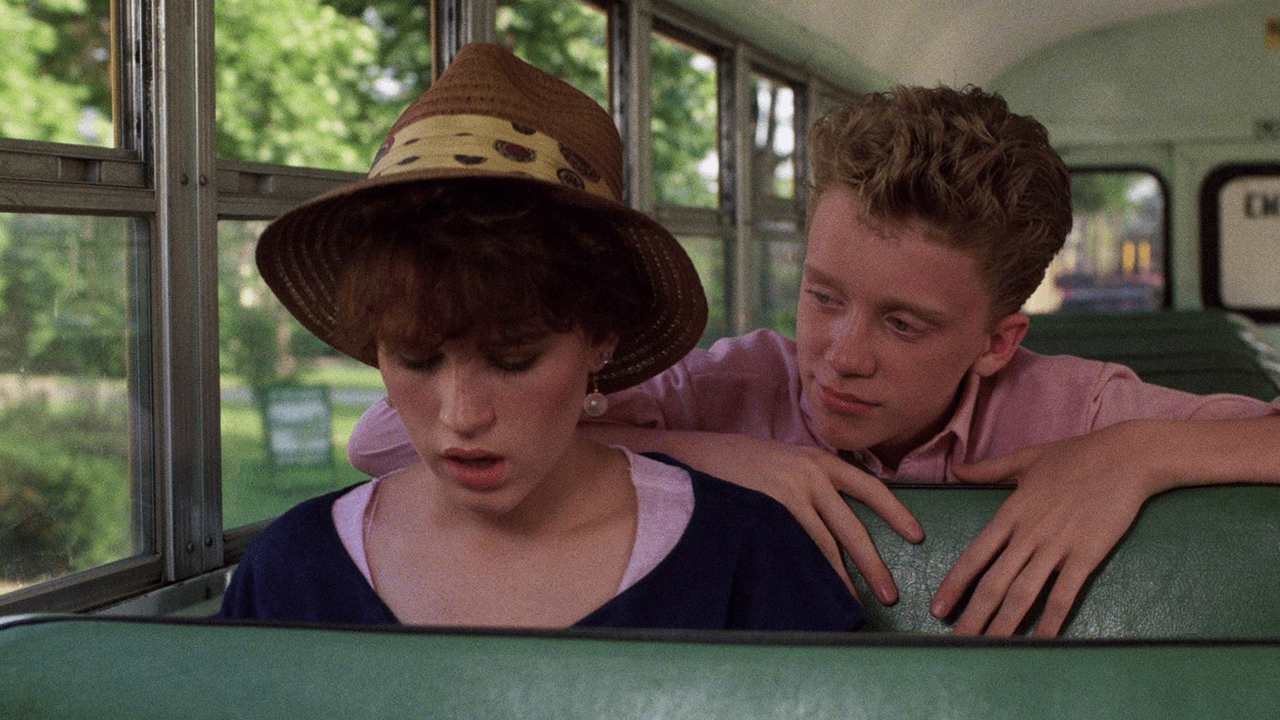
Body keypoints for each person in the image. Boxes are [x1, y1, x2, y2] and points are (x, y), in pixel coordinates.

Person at [347, 84, 1280, 638]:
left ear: (997, 342)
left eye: (904, 325)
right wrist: (705, 454)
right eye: (823, 297)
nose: (838, 357)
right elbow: (386, 442)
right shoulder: (735, 386)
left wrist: (1136, 455)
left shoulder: (1076, 412)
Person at [218, 43, 865, 632]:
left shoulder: (743, 554)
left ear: (602, 339)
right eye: (414, 356)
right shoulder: (288, 572)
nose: (462, 415)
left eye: (515, 359)